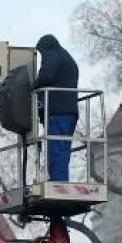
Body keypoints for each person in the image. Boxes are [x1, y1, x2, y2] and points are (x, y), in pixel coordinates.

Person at [33, 34, 79, 183]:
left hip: (57, 111)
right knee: (63, 150)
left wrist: (32, 86)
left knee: (56, 150)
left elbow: (47, 75)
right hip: (70, 112)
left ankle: (58, 184)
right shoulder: (68, 58)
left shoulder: (52, 54)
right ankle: (62, 181)